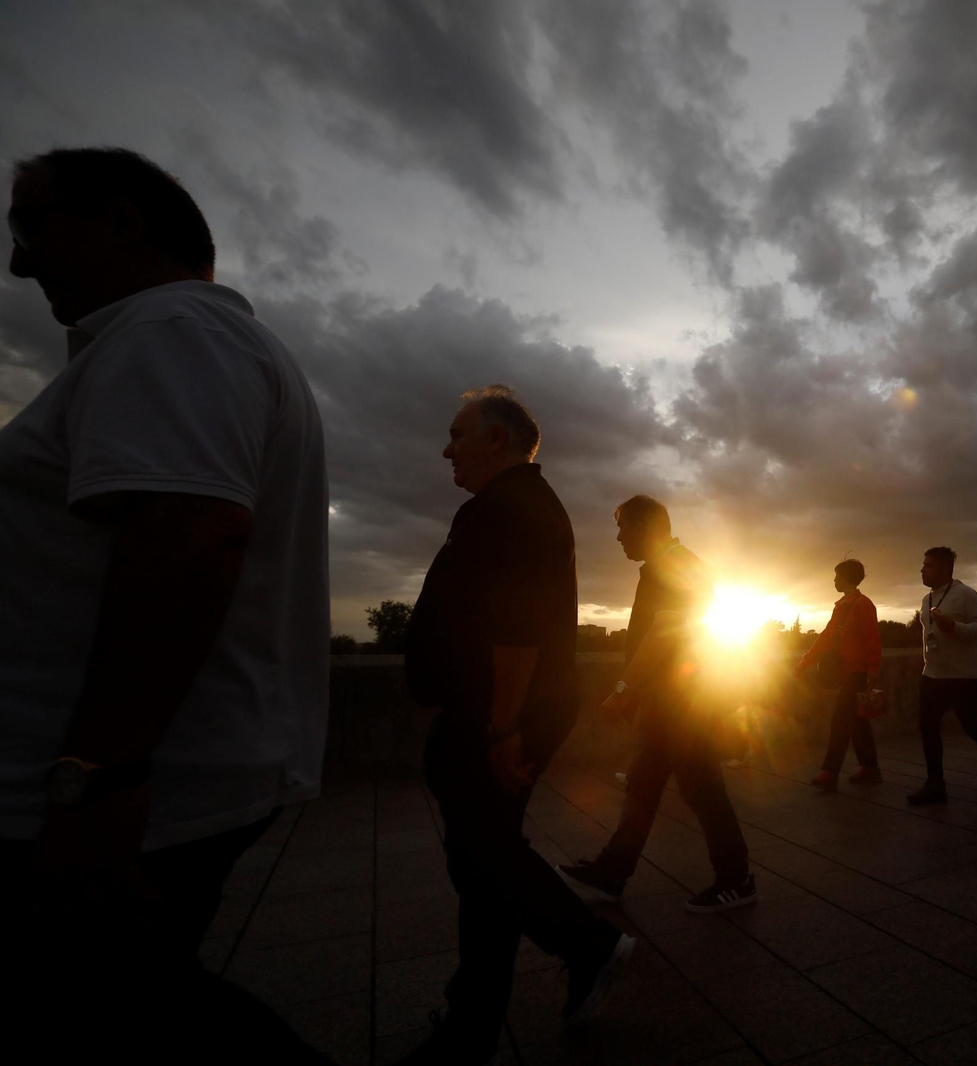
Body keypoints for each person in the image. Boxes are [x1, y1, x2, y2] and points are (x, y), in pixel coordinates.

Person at [0, 148, 332, 1060]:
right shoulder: (186, 336)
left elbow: (188, 535)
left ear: (120, 221)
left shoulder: (173, 330)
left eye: (30, 228)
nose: (19, 263)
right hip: (146, 779)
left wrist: (95, 779)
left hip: (121, 791)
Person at [403, 387, 634, 1062]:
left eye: (457, 434)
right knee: (482, 858)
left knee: (482, 852)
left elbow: (516, 632)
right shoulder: (526, 505)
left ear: (495, 440)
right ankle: (471, 1021)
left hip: (498, 714)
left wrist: (502, 730)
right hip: (507, 708)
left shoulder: (502, 510)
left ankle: (585, 944)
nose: (447, 448)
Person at [560, 496, 757, 912]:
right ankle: (613, 873)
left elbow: (666, 633)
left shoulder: (676, 566)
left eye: (623, 528)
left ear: (646, 529)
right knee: (645, 786)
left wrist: (623, 688)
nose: (618, 538)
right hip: (674, 702)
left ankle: (737, 880)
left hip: (682, 704)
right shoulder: (672, 564)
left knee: (701, 790)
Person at [907, 547, 977, 804]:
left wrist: (953, 627)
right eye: (923, 565)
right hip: (932, 675)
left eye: (929, 565)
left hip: (962, 677)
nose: (922, 570)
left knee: (974, 727)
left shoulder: (966, 594)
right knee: (928, 728)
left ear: (946, 569)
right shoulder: (927, 599)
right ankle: (935, 783)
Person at [796, 558, 884, 789]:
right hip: (847, 672)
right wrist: (805, 662)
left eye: (837, 576)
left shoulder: (863, 605)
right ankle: (870, 768)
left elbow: (872, 639)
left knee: (840, 722)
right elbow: (826, 637)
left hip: (856, 673)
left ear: (846, 578)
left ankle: (830, 772)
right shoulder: (842, 605)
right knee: (857, 723)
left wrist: (873, 669)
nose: (834, 580)